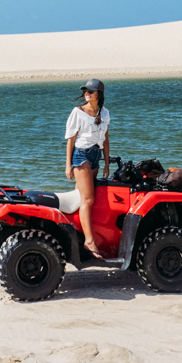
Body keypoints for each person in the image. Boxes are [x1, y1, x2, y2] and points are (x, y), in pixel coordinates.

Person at [64, 78, 110, 258]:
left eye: (90, 91)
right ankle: (90, 242)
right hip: (81, 156)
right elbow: (71, 140)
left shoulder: (104, 113)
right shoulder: (78, 112)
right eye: (85, 91)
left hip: (95, 156)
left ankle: (77, 235)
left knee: (81, 198)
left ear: (99, 94)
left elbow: (105, 139)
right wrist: (68, 165)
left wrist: (106, 162)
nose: (86, 94)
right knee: (88, 199)